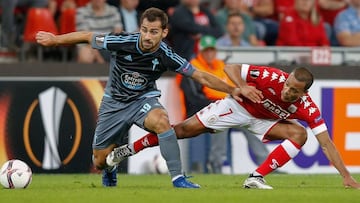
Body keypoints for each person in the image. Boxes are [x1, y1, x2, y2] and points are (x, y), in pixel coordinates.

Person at [36, 7, 242, 188]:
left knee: (162, 122)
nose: (147, 37)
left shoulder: (166, 54)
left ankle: (178, 178)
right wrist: (55, 40)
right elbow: (86, 36)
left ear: (164, 32)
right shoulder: (123, 41)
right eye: (144, 30)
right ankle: (110, 168)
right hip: (114, 103)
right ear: (140, 28)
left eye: (153, 32)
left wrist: (231, 90)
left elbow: (200, 75)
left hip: (143, 100)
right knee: (99, 161)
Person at [108, 63, 360, 189]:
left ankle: (255, 178)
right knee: (182, 131)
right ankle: (127, 150)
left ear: (304, 92)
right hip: (237, 107)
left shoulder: (307, 107)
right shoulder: (272, 76)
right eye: (287, 85)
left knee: (299, 133)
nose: (287, 91)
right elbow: (230, 67)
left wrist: (346, 176)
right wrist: (242, 86)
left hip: (263, 121)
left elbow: (326, 143)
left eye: (294, 91)